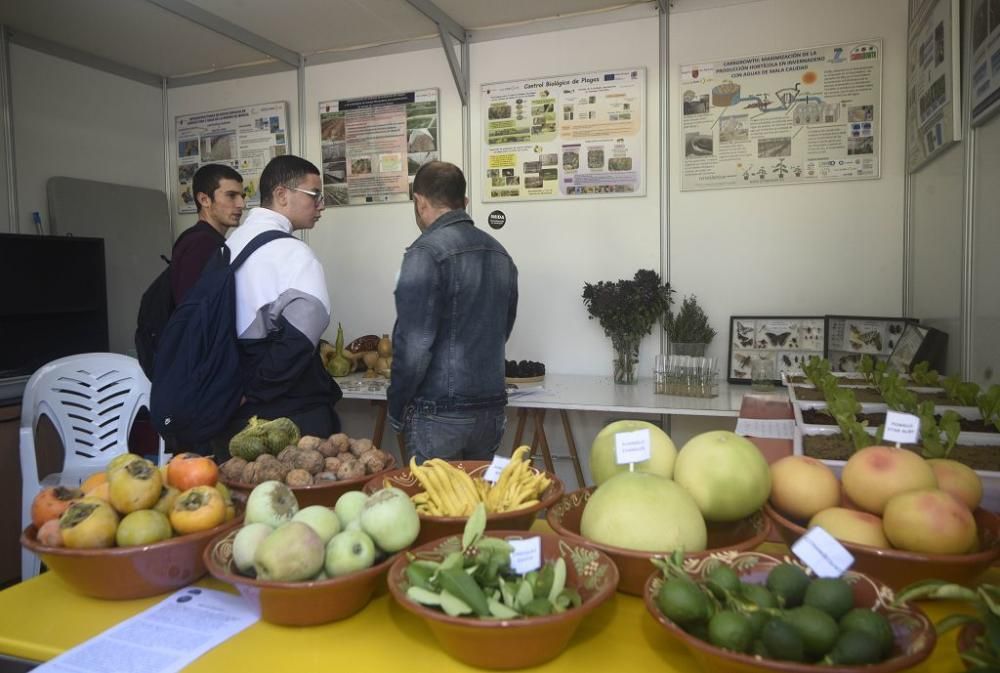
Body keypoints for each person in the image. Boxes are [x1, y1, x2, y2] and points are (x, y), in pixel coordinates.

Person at [387, 161, 518, 463]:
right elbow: (503, 328)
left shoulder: (425, 253)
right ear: (465, 202)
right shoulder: (500, 254)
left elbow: (414, 346)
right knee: (475, 507)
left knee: (436, 507)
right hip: (490, 412)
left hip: (438, 414)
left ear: (419, 202)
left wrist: (396, 405)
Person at [217, 155, 342, 458]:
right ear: (282, 195)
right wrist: (254, 391)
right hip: (290, 414)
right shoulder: (295, 254)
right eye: (315, 195)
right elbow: (298, 343)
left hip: (231, 411)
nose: (321, 205)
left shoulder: (229, 246)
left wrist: (240, 392)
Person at [171, 164, 245, 304]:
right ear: (204, 200)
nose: (241, 204)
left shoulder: (206, 240)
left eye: (242, 196)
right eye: (231, 196)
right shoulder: (201, 244)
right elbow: (193, 312)